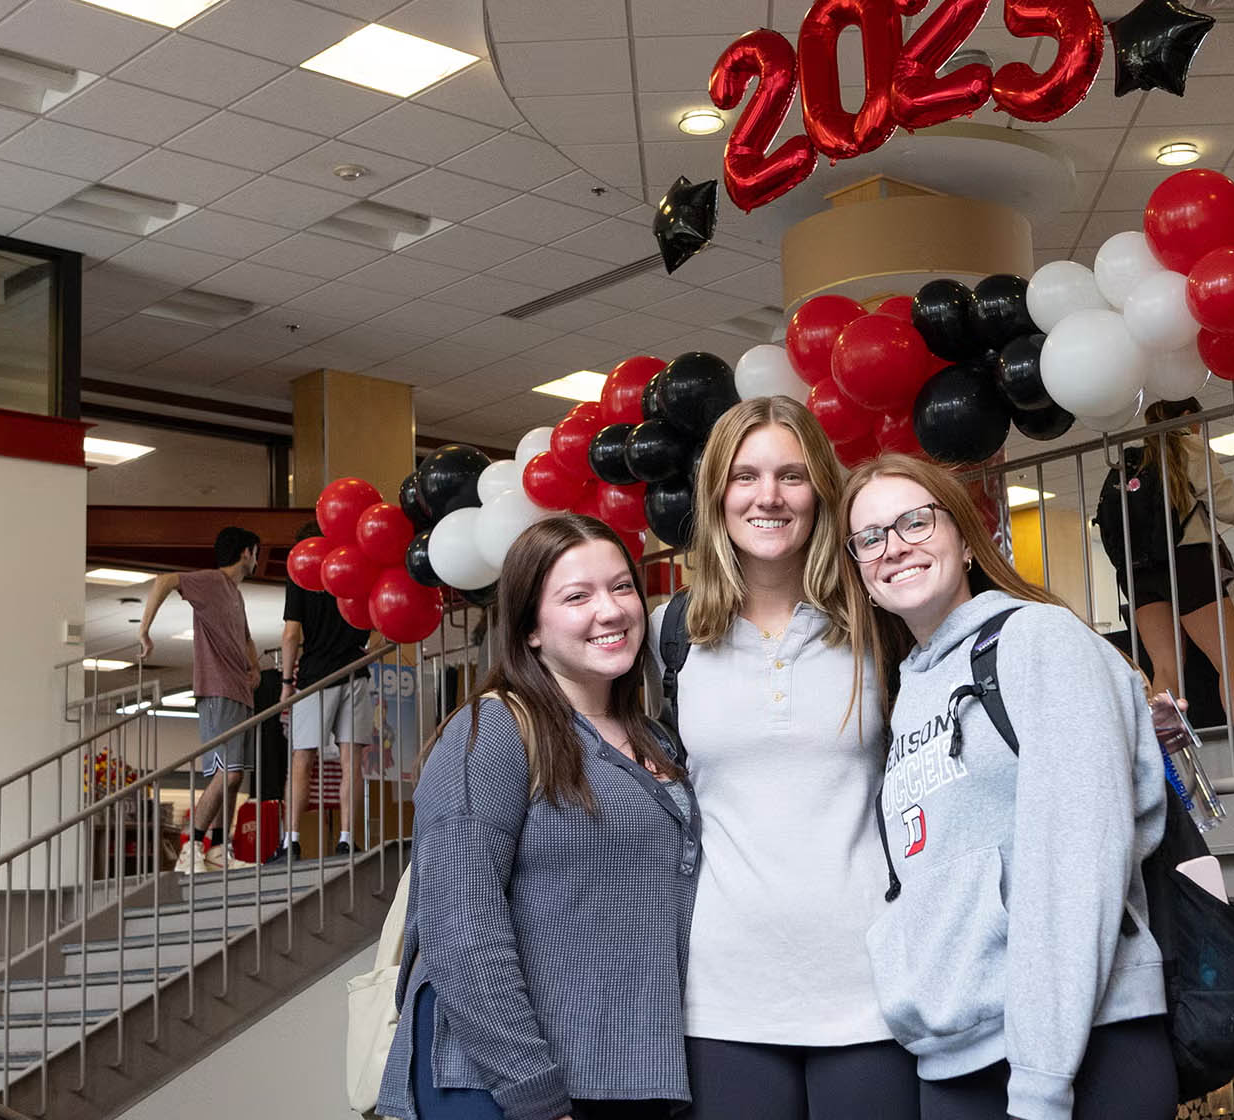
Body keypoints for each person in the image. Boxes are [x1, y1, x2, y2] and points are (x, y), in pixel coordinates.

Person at [841, 453, 1174, 1120]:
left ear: (966, 541)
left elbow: (1076, 865)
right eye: (870, 537)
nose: (894, 547)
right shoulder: (908, 693)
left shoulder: (1039, 641)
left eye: (914, 522)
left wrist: (1041, 1081)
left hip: (1080, 1052)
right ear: (861, 576)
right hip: (956, 1056)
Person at [375, 515, 697, 1120]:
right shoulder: (493, 732)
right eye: (577, 596)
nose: (610, 611)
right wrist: (530, 1087)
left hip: (629, 1077)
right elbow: (460, 928)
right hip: (506, 1088)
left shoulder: (656, 741)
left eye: (622, 587)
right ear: (529, 630)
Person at [655, 396, 918, 1120]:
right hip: (720, 999)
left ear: (822, 494)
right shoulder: (669, 635)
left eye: (791, 476)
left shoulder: (882, 621)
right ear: (717, 495)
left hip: (872, 988)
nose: (767, 496)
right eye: (745, 476)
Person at [1126, 397, 1234, 726]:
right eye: (1198, 420)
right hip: (1185, 560)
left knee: (1164, 669)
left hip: (1139, 571)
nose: (1199, 428)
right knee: (1231, 661)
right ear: (1186, 416)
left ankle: (1165, 761)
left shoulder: (1136, 460)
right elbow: (1227, 506)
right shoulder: (1188, 447)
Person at [137, 526, 262, 874]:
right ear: (246, 553)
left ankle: (219, 848)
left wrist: (254, 669)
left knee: (234, 778)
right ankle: (191, 844)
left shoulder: (235, 595)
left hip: (239, 691)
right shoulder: (210, 581)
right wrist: (144, 630)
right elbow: (163, 581)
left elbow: (247, 639)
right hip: (217, 689)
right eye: (256, 552)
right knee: (227, 775)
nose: (257, 559)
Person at [267, 520, 375, 864]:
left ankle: (291, 842)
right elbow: (376, 627)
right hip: (355, 673)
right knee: (351, 763)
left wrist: (286, 683)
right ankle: (346, 840)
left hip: (314, 678)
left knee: (301, 760)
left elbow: (290, 635)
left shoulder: (300, 574)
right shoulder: (351, 569)